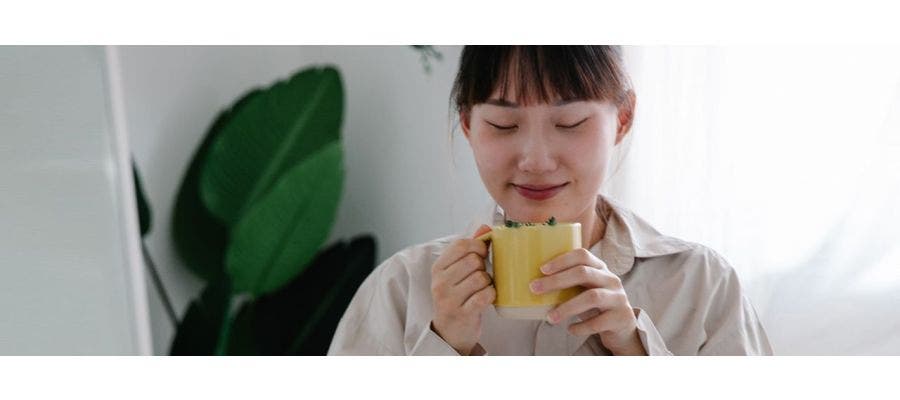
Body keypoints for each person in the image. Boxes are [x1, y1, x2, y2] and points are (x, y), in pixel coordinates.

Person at [327, 46, 773, 356]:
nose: (536, 161)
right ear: (467, 124)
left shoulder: (702, 285)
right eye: (503, 125)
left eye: (570, 122)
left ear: (623, 119)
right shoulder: (403, 289)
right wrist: (443, 346)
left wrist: (636, 351)